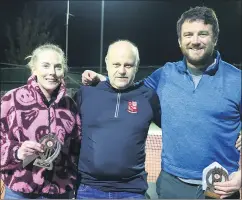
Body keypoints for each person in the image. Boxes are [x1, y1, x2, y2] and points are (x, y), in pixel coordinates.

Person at [82, 6, 241, 199]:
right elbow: (131, 87)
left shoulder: (237, 80)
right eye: (188, 34)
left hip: (220, 187)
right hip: (171, 185)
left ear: (215, 38)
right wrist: (104, 79)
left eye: (203, 34)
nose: (195, 41)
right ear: (180, 41)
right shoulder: (164, 74)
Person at [75, 40, 161, 199]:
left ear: (137, 65)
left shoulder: (148, 97)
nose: (122, 70)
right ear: (107, 63)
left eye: (128, 65)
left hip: (132, 191)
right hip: (88, 189)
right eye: (116, 64)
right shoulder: (86, 93)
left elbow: (174, 130)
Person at [0, 44, 81, 199]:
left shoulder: (70, 106)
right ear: (34, 69)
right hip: (20, 192)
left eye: (58, 67)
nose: (52, 72)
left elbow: (76, 148)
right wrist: (17, 152)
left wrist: (71, 180)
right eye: (45, 66)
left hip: (59, 191)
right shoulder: (11, 100)